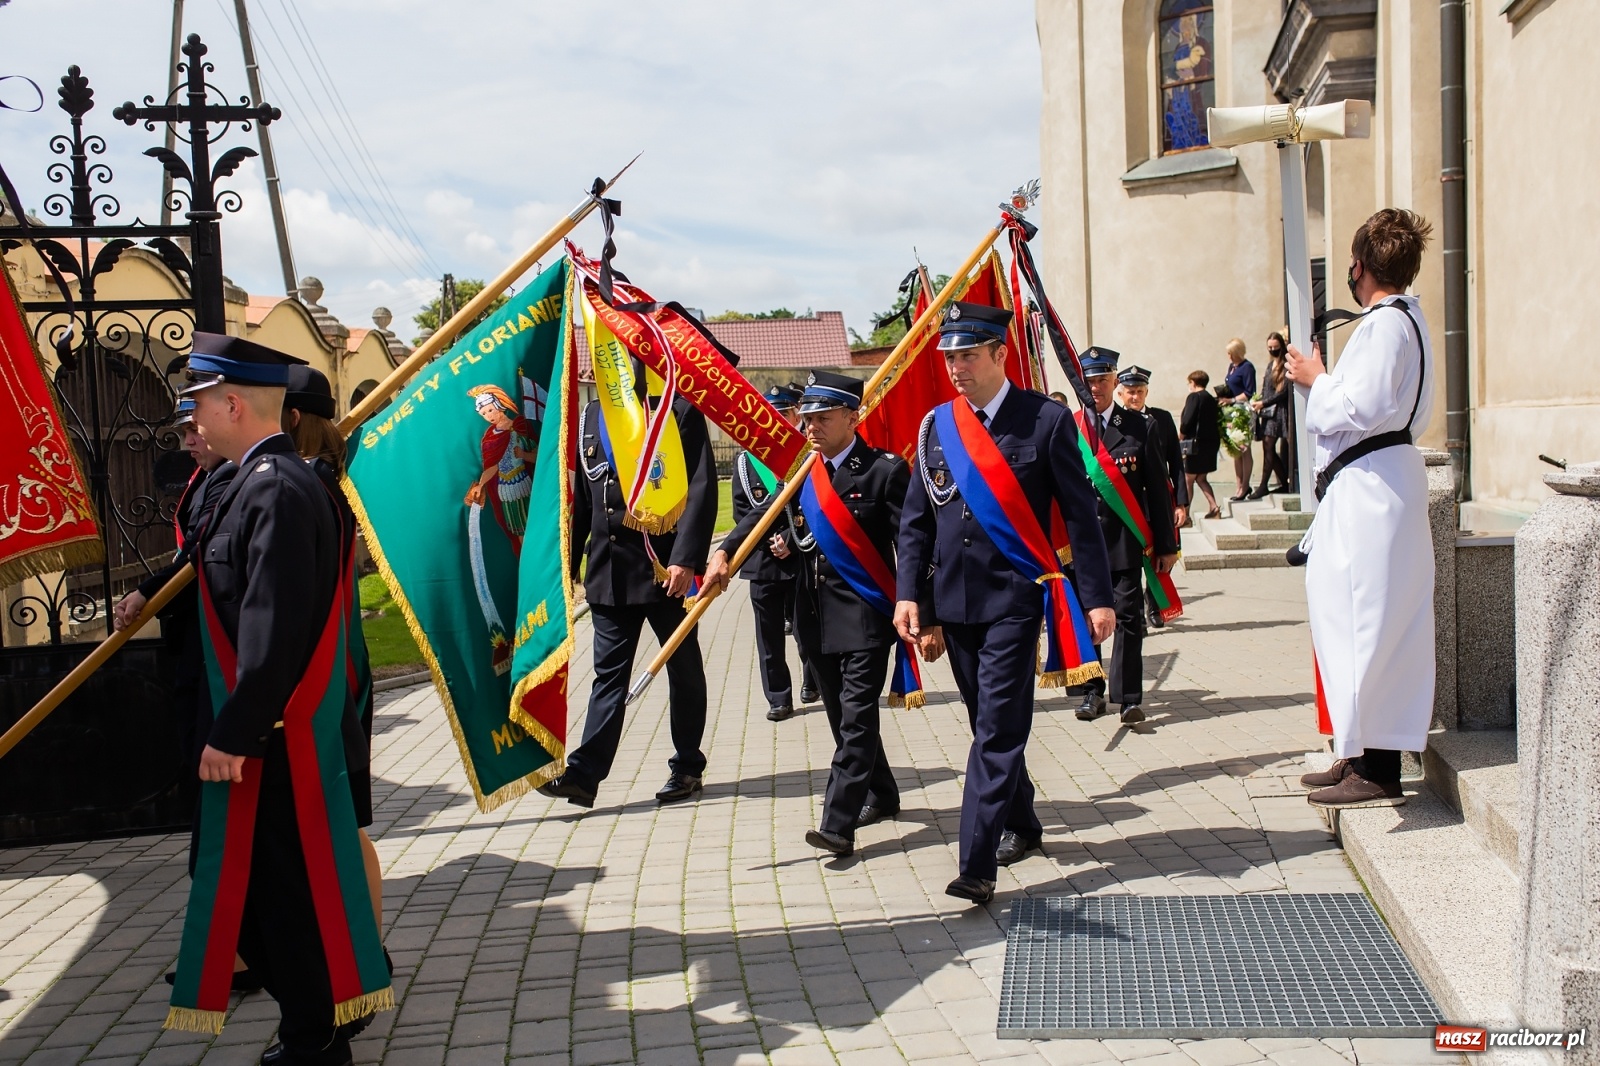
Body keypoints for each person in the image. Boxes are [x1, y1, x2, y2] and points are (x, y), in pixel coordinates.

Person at [174, 332, 389, 1062]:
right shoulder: (251, 482)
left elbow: (272, 630)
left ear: (234, 402)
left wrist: (235, 734)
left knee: (275, 902)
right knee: (257, 899)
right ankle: (317, 1022)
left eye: (199, 403)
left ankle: (316, 1033)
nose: (191, 420)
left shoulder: (278, 489)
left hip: (268, 740)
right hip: (249, 733)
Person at [895, 301, 1115, 905]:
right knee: (985, 723)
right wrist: (909, 595)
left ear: (1000, 354)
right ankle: (1024, 822)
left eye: (967, 355)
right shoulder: (936, 425)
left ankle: (976, 863)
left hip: (1016, 599)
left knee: (996, 729)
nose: (956, 368)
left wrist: (1096, 598)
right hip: (954, 603)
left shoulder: (1044, 421)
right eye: (950, 357)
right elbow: (916, 522)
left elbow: (1080, 516)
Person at [706, 371, 921, 858]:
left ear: (852, 417)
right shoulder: (803, 470)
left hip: (866, 613)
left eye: (822, 418)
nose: (811, 428)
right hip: (813, 616)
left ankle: (837, 824)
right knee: (842, 715)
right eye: (807, 418)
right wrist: (725, 551)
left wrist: (919, 609)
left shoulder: (884, 471)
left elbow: (911, 544)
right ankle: (883, 793)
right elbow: (758, 516)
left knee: (856, 720)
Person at [1288, 208, 1436, 809]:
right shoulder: (1407, 320)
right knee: (1360, 618)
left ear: (1360, 267)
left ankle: (1376, 769)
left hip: (1372, 485)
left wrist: (1315, 378)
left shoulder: (1383, 325)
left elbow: (1356, 406)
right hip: (1376, 479)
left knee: (1365, 622)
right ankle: (1357, 752)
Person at [115, 398, 256, 996]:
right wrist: (147, 591)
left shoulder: (236, 477)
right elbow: (189, 554)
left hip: (217, 667)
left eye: (194, 426)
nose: (189, 439)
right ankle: (236, 949)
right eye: (183, 430)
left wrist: (148, 591)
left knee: (220, 820)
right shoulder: (209, 476)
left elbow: (198, 560)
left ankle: (232, 953)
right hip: (196, 661)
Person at [540, 388, 717, 808]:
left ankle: (688, 766)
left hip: (664, 569)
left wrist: (687, 558)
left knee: (683, 668)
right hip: (609, 570)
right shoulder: (591, 415)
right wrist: (566, 568)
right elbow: (585, 495)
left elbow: (700, 484)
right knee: (607, 676)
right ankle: (584, 776)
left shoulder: (677, 410)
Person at [280, 365, 386, 952]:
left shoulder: (308, 485)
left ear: (293, 418)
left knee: (337, 821)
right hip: (333, 662)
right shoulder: (321, 478)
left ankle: (362, 947)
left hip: (327, 669)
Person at [1072, 348, 1180, 724]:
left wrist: (1166, 545)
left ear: (1115, 381)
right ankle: (1092, 691)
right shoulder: (1069, 429)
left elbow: (1157, 489)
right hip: (1082, 547)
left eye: (1102, 380)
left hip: (1124, 541)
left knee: (1129, 617)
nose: (1095, 388)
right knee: (1088, 619)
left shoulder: (1139, 427)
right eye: (1089, 381)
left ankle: (1130, 697)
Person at [730, 383, 816, 722]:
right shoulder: (744, 462)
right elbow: (741, 512)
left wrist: (789, 541)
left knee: (806, 628)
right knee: (768, 637)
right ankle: (779, 697)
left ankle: (813, 680)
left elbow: (811, 506)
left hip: (799, 557)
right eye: (770, 415)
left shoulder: (804, 455)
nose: (776, 420)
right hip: (762, 562)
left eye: (783, 414)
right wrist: (771, 542)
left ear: (795, 415)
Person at [1116, 365, 1188, 629]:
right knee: (1132, 558)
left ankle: (1155, 605)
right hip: (1128, 503)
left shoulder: (1161, 419)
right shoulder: (1115, 423)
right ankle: (1134, 613)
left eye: (1140, 392)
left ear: (1147, 392)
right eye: (1130, 392)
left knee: (1161, 555)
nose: (1135, 397)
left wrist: (1181, 503)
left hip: (1157, 502)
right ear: (1120, 393)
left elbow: (1175, 464)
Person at [1249, 333, 1291, 498]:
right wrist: (1258, 401)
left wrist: (1264, 403)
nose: (1273, 350)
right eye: (1270, 348)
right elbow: (1265, 389)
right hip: (1267, 412)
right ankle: (1283, 481)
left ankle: (1263, 485)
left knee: (1268, 445)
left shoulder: (1285, 365)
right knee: (1268, 448)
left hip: (1278, 412)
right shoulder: (1270, 365)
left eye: (1275, 347)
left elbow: (1284, 392)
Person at [1179, 371, 1222, 519]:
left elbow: (1186, 420)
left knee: (1187, 479)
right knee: (1201, 478)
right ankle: (1214, 507)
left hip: (1195, 445)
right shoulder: (1210, 398)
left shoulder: (1194, 397)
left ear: (1193, 382)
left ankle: (1186, 516)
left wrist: (1180, 437)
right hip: (1210, 443)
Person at [1223, 337, 1256, 501]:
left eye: (1231, 353)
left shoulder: (1247, 367)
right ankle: (1238, 486)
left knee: (1244, 448)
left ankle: (1245, 486)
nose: (1229, 356)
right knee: (1235, 450)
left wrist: (1233, 400)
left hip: (1242, 411)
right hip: (1230, 411)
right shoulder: (1232, 367)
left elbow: (1249, 392)